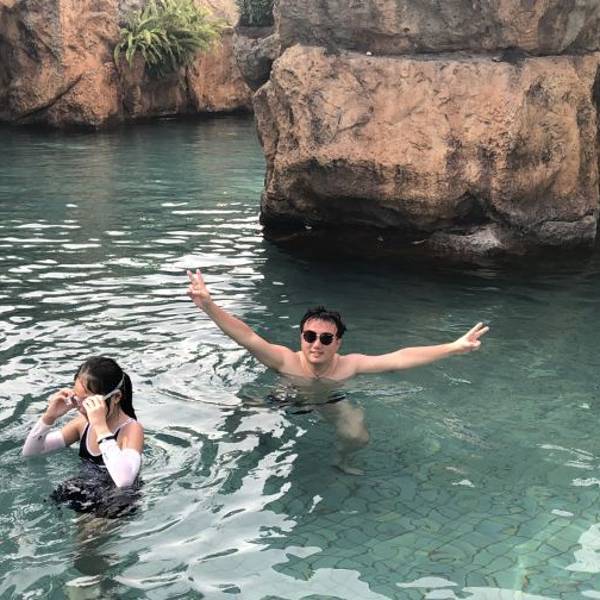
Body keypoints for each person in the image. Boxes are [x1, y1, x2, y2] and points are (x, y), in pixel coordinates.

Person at [186, 269, 489, 381]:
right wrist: (210, 306)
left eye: (326, 339)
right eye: (310, 336)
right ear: (301, 337)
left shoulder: (349, 365)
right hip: (285, 397)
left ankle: (344, 461)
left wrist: (453, 348)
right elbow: (248, 337)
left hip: (330, 399)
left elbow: (399, 358)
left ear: (338, 343)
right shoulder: (285, 360)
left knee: (356, 434)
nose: (316, 344)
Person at [23, 357, 144, 493]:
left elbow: (124, 481)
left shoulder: (131, 429)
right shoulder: (82, 424)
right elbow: (31, 453)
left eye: (88, 402)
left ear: (116, 397)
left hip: (119, 498)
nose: (79, 408)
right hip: (87, 488)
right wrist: (49, 417)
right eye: (76, 399)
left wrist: (100, 427)